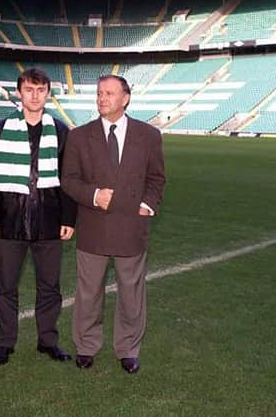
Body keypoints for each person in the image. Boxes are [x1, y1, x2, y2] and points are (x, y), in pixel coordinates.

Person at [61, 75, 165, 374]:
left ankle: (129, 348)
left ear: (125, 98)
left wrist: (146, 206)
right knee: (88, 292)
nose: (101, 98)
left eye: (108, 93)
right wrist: (93, 195)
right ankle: (86, 345)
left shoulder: (148, 136)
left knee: (131, 293)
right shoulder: (80, 136)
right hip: (93, 227)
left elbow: (156, 178)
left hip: (132, 227)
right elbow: (68, 180)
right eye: (98, 93)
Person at [0, 67, 77, 365]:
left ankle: (48, 341)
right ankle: (5, 343)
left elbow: (69, 178)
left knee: (49, 286)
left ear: (47, 93)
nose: (34, 95)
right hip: (10, 220)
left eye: (40, 90)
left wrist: (69, 217)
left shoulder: (61, 130)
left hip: (49, 221)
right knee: (6, 287)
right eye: (29, 89)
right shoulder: (0, 128)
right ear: (19, 92)